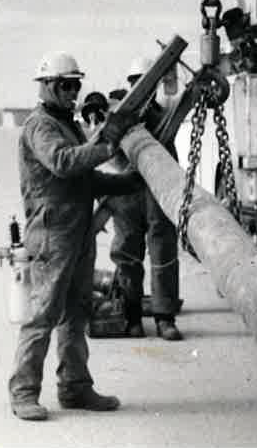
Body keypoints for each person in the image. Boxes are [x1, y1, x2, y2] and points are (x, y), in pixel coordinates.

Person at [9, 51, 141, 421]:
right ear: (48, 86)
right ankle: (23, 393)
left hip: (77, 229)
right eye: (67, 86)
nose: (73, 93)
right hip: (52, 232)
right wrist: (106, 148)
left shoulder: (67, 123)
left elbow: (87, 178)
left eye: (77, 85)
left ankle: (75, 387)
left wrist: (126, 181)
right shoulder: (41, 126)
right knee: (44, 313)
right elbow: (65, 163)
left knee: (77, 311)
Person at [108, 57, 183, 341]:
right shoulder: (117, 114)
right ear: (130, 85)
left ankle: (165, 318)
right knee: (127, 251)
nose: (142, 89)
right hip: (126, 188)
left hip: (159, 189)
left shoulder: (165, 111)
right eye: (137, 82)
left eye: (148, 82)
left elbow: (182, 99)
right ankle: (132, 317)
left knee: (163, 248)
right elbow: (106, 150)